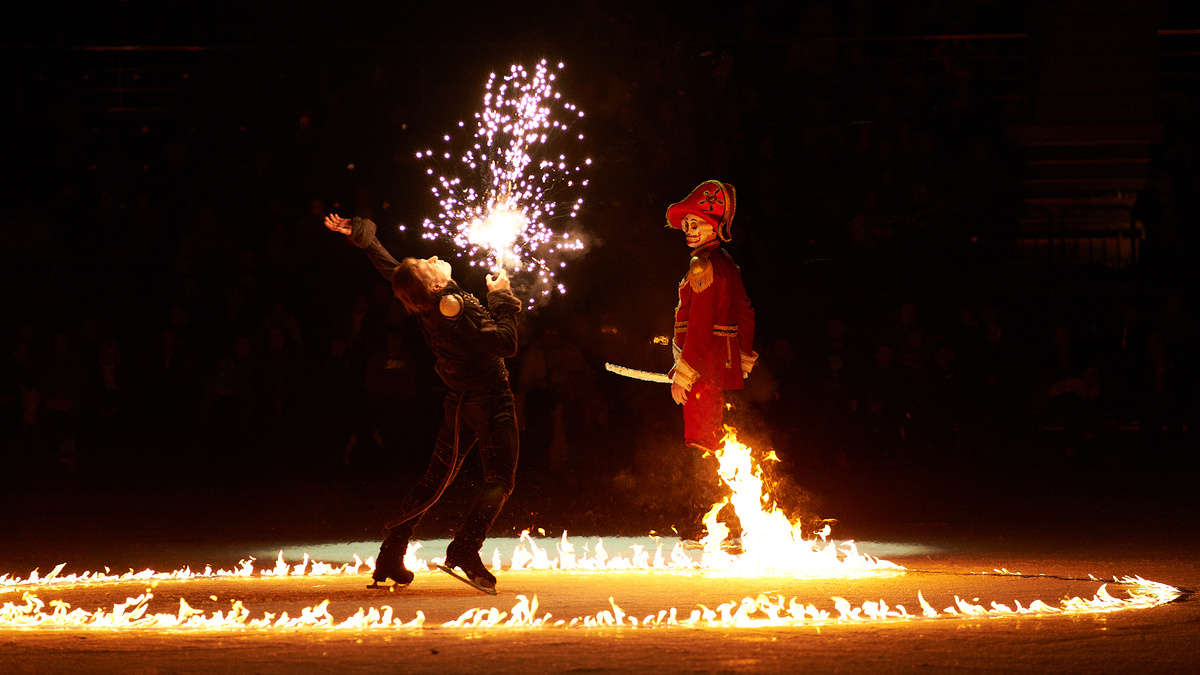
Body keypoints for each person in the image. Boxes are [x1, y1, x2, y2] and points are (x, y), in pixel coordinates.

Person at [325, 213, 520, 593]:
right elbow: (507, 343)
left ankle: (390, 554)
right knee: (499, 479)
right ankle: (464, 548)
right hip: (489, 400)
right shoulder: (452, 307)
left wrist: (362, 236)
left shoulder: (425, 297)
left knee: (435, 480)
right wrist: (501, 296)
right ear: (435, 286)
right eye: (427, 266)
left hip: (460, 402)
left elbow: (392, 269)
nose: (432, 258)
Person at [664, 180, 757, 539]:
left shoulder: (703, 264)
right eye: (687, 224)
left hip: (703, 366)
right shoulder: (727, 263)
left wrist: (684, 375)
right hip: (721, 364)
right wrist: (743, 355)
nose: (689, 231)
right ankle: (725, 522)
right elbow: (746, 312)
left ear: (714, 227)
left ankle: (715, 523)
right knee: (714, 437)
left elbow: (700, 325)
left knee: (703, 440)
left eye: (696, 224)